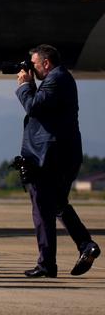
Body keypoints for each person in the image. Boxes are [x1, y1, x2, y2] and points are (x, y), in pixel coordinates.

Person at [16, 44, 99, 278]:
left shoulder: (56, 79)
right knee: (58, 204)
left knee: (42, 209)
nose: (30, 69)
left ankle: (47, 265)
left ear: (46, 63)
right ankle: (86, 245)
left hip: (49, 156)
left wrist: (25, 86)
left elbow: (33, 106)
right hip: (63, 154)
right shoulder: (61, 79)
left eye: (33, 64)